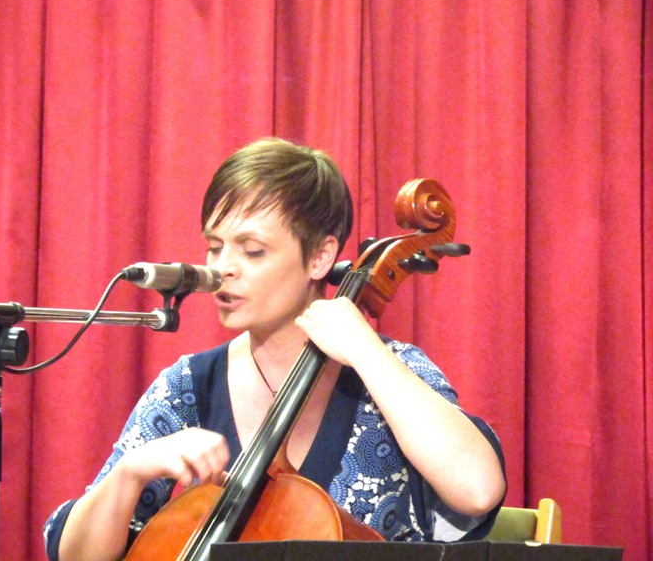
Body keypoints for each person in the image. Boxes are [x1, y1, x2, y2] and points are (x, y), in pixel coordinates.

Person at [43, 137, 507, 561]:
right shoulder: (188, 386)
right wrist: (130, 473)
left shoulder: (389, 371)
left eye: (253, 251)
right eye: (214, 247)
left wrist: (366, 353)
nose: (223, 269)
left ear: (320, 257)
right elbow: (75, 557)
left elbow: (478, 491)